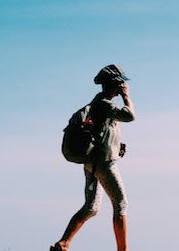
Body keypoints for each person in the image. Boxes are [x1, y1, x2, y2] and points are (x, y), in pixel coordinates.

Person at [50, 64, 136, 251]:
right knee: (121, 204)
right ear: (114, 84)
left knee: (91, 207)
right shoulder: (104, 104)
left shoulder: (99, 104)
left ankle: (64, 243)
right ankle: (123, 249)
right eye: (120, 83)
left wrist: (117, 144)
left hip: (93, 162)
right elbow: (129, 116)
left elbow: (105, 130)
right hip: (103, 163)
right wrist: (126, 96)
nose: (122, 86)